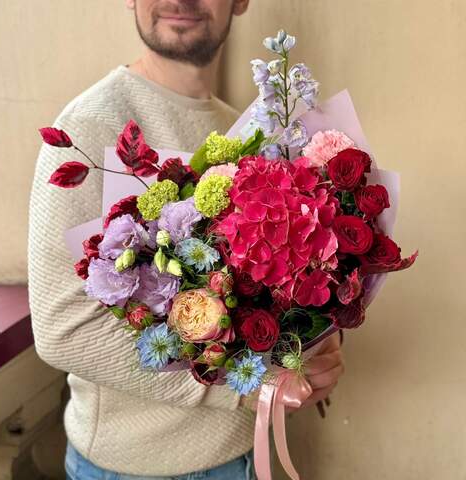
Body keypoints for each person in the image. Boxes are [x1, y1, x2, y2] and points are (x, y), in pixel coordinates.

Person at [28, 1, 345, 479]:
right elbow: (63, 329)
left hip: (244, 454)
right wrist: (246, 387)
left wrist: (307, 346)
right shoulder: (90, 125)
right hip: (133, 468)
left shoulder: (252, 130)